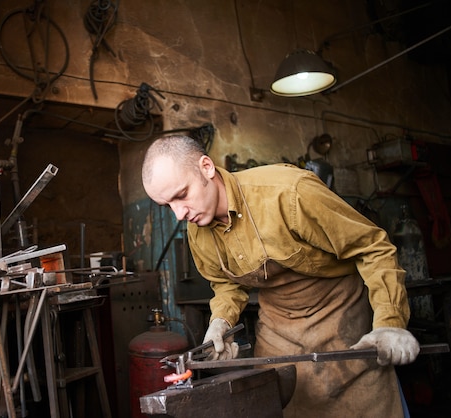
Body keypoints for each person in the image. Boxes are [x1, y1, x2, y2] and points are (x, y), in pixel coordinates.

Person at [141, 134, 420, 417]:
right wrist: (220, 322)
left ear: (206, 167)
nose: (178, 214)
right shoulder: (197, 231)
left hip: (342, 321)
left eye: (181, 195)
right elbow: (226, 285)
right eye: (168, 205)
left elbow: (373, 248)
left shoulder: (289, 193)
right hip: (278, 335)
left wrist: (390, 322)